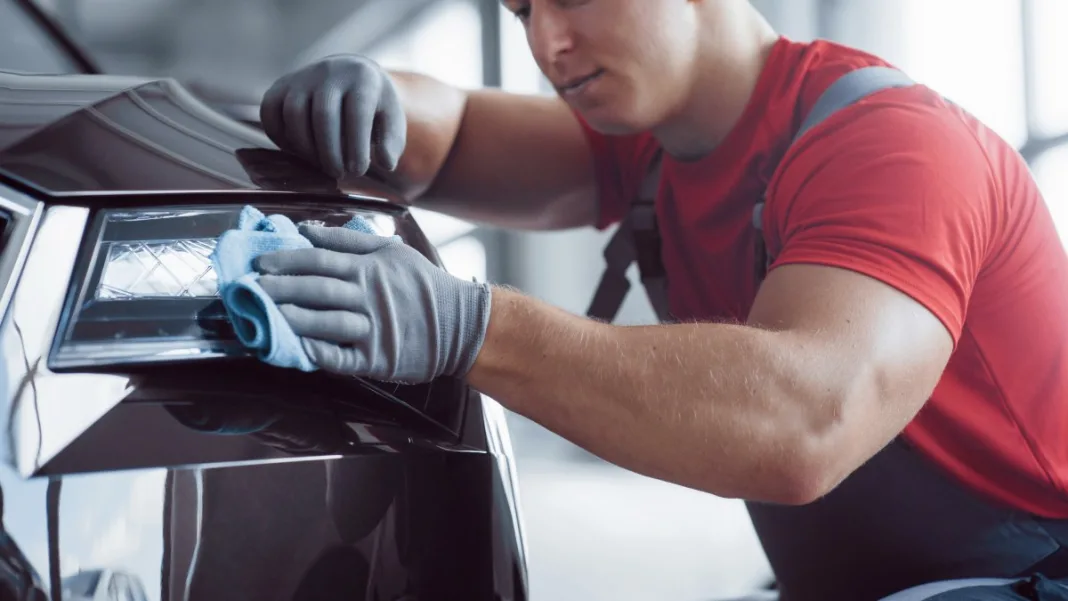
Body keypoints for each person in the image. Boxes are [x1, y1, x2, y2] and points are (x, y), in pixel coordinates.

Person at [251, 0, 1068, 599]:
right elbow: (455, 133)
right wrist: (377, 96)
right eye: (522, 10)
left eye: (568, 1)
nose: (545, 44)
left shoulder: (892, 145)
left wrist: (469, 326)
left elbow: (803, 421)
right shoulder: (654, 152)